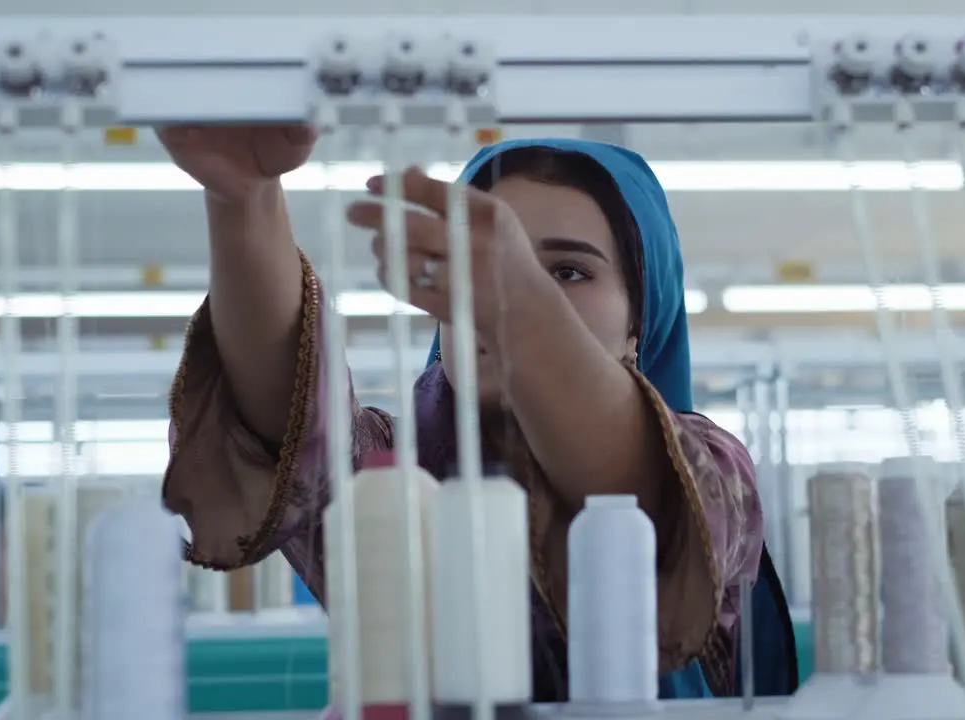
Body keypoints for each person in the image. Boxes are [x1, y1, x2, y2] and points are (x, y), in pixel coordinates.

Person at [157, 126, 798, 700]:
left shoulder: (714, 475)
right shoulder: (390, 483)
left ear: (640, 323)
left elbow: (640, 489)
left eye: (569, 272)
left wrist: (520, 302)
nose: (498, 296)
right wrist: (244, 201)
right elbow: (288, 423)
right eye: (477, 269)